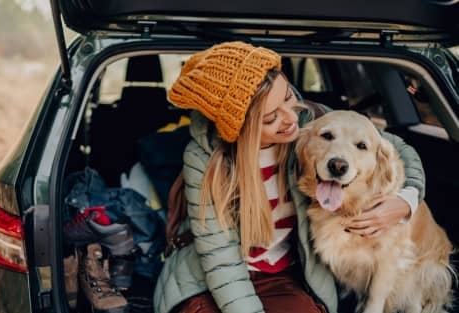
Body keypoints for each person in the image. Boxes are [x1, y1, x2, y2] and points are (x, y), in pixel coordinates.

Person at [153, 41, 424, 313]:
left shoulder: (313, 122)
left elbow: (398, 149)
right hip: (209, 280)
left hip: (283, 276)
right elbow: (220, 260)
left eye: (287, 97)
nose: (290, 118)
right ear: (241, 129)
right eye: (271, 117)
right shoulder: (203, 158)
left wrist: (406, 200)